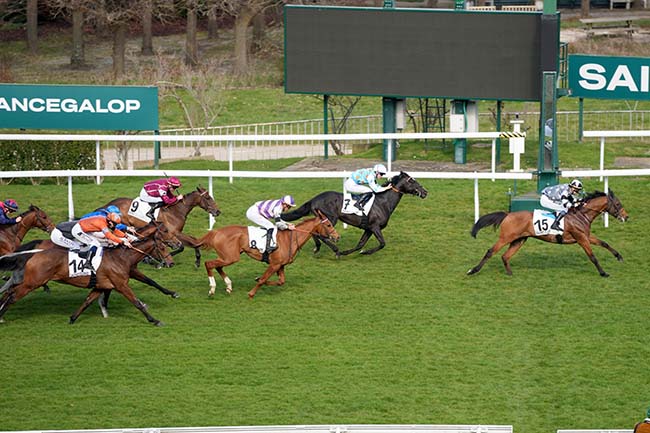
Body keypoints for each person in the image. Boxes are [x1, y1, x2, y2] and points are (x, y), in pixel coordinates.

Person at [246, 195, 296, 263]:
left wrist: (287, 223)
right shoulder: (278, 208)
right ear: (284, 204)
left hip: (256, 211)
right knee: (271, 227)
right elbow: (278, 224)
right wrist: (288, 227)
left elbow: (277, 219)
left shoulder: (279, 205)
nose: (289, 208)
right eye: (289, 206)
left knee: (270, 226)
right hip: (253, 213)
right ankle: (268, 246)